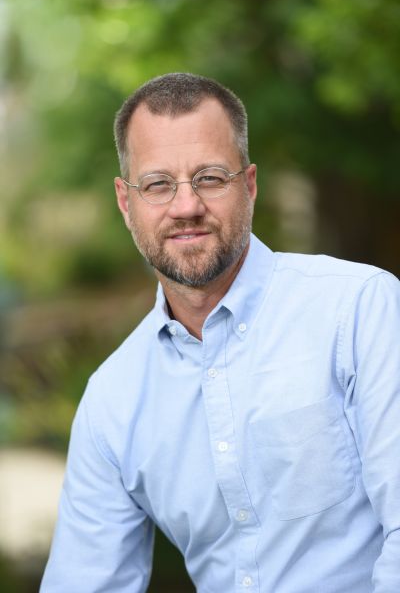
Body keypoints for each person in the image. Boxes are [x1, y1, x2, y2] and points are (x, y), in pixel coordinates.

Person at [40, 73, 400, 593]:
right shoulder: (112, 401)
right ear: (125, 201)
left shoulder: (358, 309)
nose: (186, 206)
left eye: (209, 178)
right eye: (158, 184)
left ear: (249, 185)